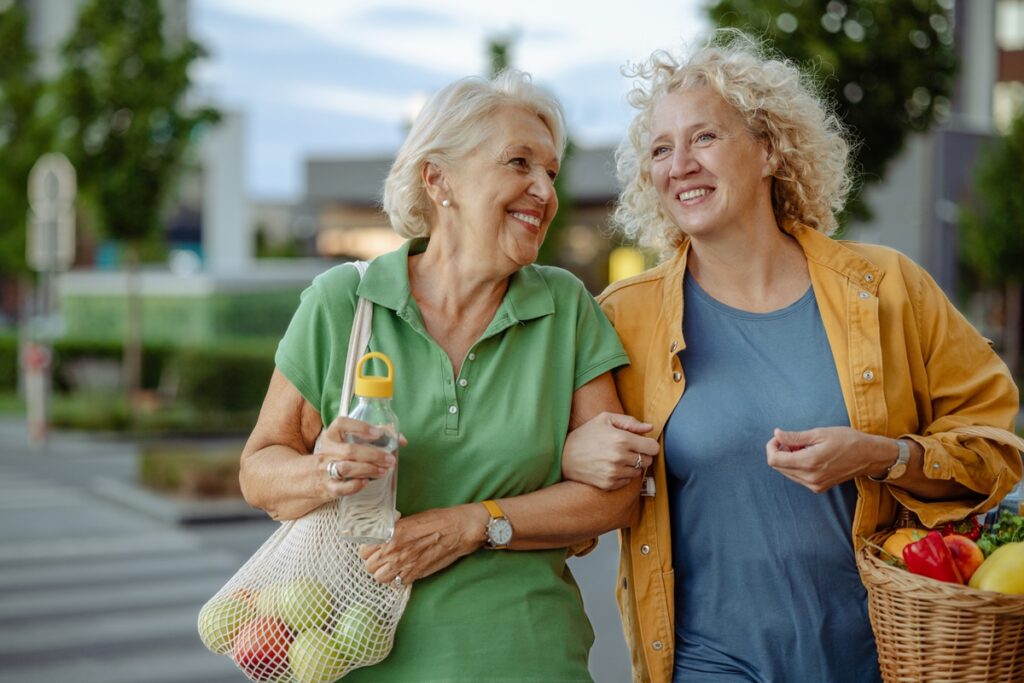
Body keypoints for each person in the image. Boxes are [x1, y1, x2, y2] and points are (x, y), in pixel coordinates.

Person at [562, 32, 1022, 683]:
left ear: (769, 149)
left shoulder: (888, 288)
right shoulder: (621, 318)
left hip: (885, 656)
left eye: (705, 138)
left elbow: (995, 452)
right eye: (661, 149)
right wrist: (568, 453)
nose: (679, 163)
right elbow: (562, 495)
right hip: (707, 660)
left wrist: (882, 454)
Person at [239, 69, 659, 682]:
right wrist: (327, 471)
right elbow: (259, 470)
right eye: (519, 162)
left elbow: (616, 495)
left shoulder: (565, 307)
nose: (543, 189)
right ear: (438, 179)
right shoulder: (342, 304)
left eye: (551, 171)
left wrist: (472, 523)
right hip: (358, 659)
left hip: (528, 657)